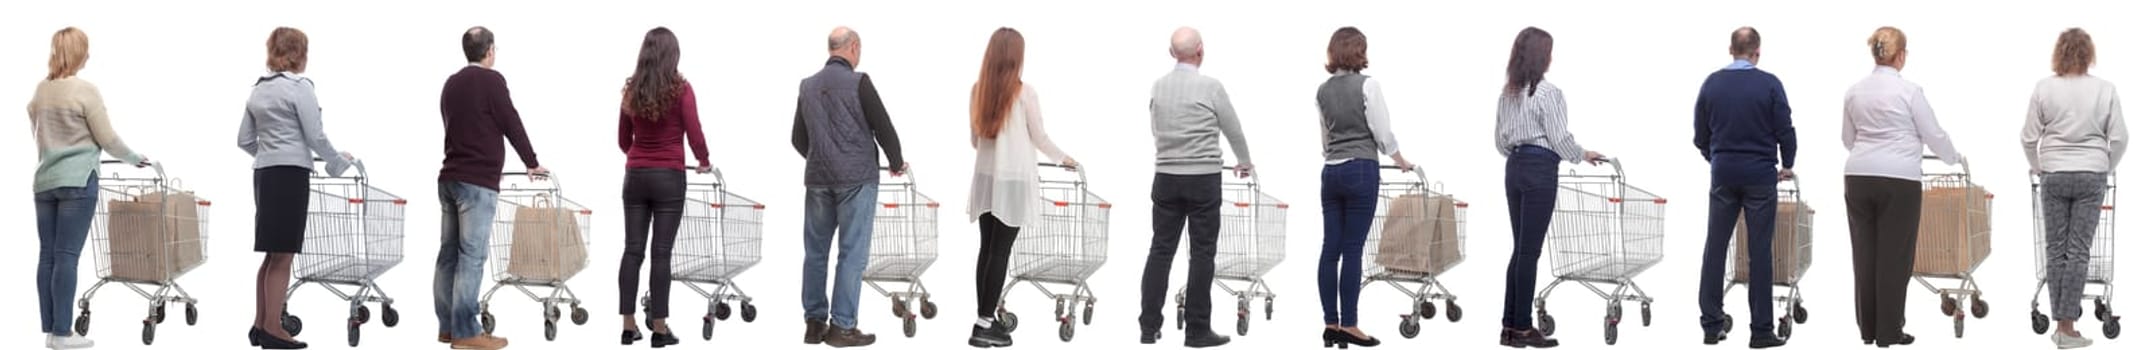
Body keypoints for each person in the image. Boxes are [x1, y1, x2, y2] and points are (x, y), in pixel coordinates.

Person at [30, 26, 152, 350]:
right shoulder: (85, 90)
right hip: (77, 181)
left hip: (44, 182)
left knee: (48, 257)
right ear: (79, 53)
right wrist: (133, 158)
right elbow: (108, 139)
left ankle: (50, 329)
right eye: (86, 48)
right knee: (67, 257)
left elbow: (36, 126)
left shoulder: (42, 90)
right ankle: (62, 333)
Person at [961, 27, 1080, 348]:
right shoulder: (1025, 93)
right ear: (1017, 57)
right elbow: (1039, 137)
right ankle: (984, 324)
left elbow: (975, 140)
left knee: (987, 249)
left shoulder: (977, 90)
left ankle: (984, 318)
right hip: (1013, 180)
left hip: (986, 177)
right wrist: (1064, 158)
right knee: (1000, 251)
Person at [1842, 26, 1958, 349]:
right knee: (1894, 257)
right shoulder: (1910, 92)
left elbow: (1847, 140)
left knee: (1864, 255)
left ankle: (1868, 329)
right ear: (1901, 55)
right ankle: (1889, 332)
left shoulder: (1854, 91)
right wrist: (1953, 158)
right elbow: (1934, 134)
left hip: (1858, 177)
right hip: (1900, 180)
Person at [791, 26, 906, 348]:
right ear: (853, 47)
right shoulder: (859, 82)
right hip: (856, 179)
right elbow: (884, 127)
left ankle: (814, 325)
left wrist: (822, 157)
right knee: (852, 254)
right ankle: (842, 327)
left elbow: (798, 139)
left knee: (815, 253)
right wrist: (896, 162)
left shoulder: (808, 86)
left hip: (817, 179)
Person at [236, 26, 351, 350]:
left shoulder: (257, 90)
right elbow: (316, 136)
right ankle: (274, 328)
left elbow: (244, 140)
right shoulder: (300, 87)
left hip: (264, 174)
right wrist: (337, 161)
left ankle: (260, 326)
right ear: (298, 54)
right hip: (290, 175)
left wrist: (272, 154)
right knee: (284, 255)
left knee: (272, 254)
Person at [1135, 26, 1246, 349]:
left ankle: (1148, 327)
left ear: (1173, 53)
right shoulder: (1210, 87)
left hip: (1166, 177)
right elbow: (1233, 129)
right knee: (1202, 254)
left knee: (1160, 250)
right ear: (1201, 50)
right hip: (1203, 180)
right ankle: (1197, 330)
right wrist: (1245, 162)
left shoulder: (1158, 86)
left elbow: (1156, 128)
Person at [1494, 26, 1604, 349]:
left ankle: (1508, 327)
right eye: (1549, 51)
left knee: (1519, 250)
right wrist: (1581, 155)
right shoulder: (1549, 93)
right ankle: (1524, 328)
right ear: (1542, 56)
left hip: (1513, 167)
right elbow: (1558, 139)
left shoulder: (1507, 93)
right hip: (1540, 168)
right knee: (1530, 252)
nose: (1552, 57)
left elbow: (1500, 141)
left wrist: (1521, 151)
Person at [436, 26, 543, 350]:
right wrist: (531, 161)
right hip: (477, 183)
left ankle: (448, 328)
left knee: (448, 255)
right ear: (490, 50)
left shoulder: (450, 84)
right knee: (472, 257)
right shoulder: (491, 81)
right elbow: (510, 120)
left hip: (449, 178)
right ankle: (467, 332)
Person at [2020, 27, 2125, 350]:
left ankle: (2061, 323)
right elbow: (2119, 137)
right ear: (2088, 54)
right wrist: (2104, 167)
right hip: (2091, 174)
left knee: (2055, 249)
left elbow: (2028, 137)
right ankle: (2066, 328)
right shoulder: (2105, 89)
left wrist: (2039, 167)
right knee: (2078, 249)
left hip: (2054, 175)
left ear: (2059, 53)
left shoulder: (2044, 88)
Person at [1690, 26, 1794, 349]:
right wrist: (1787, 163)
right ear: (1757, 52)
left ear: (1730, 50)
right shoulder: (1769, 84)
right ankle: (1761, 332)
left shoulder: (1712, 83)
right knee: (1759, 252)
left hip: (1723, 174)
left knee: (1716, 247)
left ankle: (1711, 325)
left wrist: (1715, 157)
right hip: (1761, 177)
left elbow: (1699, 133)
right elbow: (1785, 129)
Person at [1314, 26, 1414, 349]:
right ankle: (1351, 326)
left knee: (1331, 250)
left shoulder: (1322, 91)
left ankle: (1331, 324)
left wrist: (1336, 154)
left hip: (1330, 172)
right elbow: (1382, 132)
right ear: (1359, 51)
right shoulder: (1368, 85)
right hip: (1360, 170)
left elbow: (1325, 140)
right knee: (1353, 248)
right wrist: (1400, 159)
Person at [615, 27, 709, 348]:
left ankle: (628, 326)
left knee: (632, 250)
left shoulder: (631, 90)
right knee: (661, 254)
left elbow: (622, 140)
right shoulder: (681, 90)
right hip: (669, 177)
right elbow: (694, 133)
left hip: (636, 176)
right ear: (674, 55)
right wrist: (704, 160)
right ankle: (659, 327)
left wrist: (641, 157)